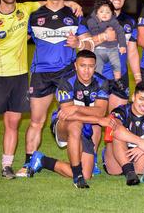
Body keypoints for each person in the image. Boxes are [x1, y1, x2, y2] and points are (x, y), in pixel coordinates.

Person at [0, 0, 81, 178]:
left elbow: (87, 40)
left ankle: (72, 152)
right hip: (30, 74)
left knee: (72, 117)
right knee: (30, 122)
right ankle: (28, 163)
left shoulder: (68, 13)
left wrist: (80, 42)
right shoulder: (21, 15)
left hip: (53, 74)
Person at [20, 0, 113, 177]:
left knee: (89, 116)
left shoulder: (74, 14)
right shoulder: (33, 16)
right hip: (41, 74)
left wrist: (78, 44)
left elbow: (90, 44)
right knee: (36, 121)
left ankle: (91, 159)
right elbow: (19, 37)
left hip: (69, 75)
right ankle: (29, 163)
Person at [28, 50, 111, 189]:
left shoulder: (101, 82)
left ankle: (43, 160)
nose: (86, 70)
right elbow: (67, 114)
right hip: (63, 125)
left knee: (88, 174)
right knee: (77, 124)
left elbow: (101, 111)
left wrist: (76, 108)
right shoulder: (66, 81)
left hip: (86, 124)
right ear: (75, 66)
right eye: (83, 66)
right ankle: (77, 175)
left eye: (90, 66)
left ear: (95, 67)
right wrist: (93, 116)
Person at [102, 81, 144, 186]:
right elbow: (114, 129)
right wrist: (141, 142)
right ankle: (129, 173)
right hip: (116, 162)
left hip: (140, 161)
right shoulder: (122, 110)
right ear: (134, 97)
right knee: (118, 133)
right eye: (141, 99)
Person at [102, 0, 142, 111]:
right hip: (97, 76)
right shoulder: (93, 19)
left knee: (117, 119)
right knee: (94, 121)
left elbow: (132, 51)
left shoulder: (130, 22)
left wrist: (138, 78)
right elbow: (84, 48)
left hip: (120, 77)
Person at [85, 0, 127, 89]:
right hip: (98, 50)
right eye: (101, 12)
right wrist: (105, 33)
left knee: (116, 64)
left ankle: (118, 81)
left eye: (108, 12)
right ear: (96, 13)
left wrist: (123, 45)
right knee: (98, 66)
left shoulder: (114, 22)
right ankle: (97, 82)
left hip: (112, 49)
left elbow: (120, 32)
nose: (104, 14)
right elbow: (93, 33)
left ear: (112, 14)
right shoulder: (91, 21)